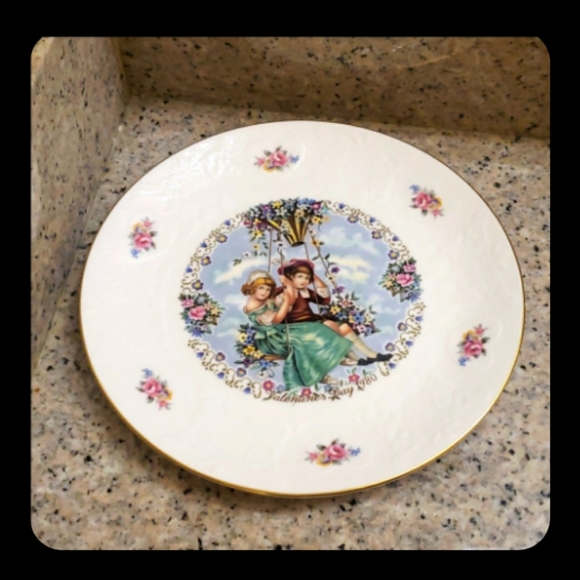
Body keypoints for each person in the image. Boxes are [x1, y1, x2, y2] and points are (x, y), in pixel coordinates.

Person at [241, 270, 355, 389]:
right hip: (272, 338)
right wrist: (286, 301)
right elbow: (276, 320)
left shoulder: (265, 299)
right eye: (261, 288)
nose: (265, 292)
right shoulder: (253, 305)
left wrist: (288, 286)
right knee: (300, 341)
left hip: (280, 330)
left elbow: (292, 300)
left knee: (316, 328)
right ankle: (317, 375)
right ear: (252, 288)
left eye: (268, 289)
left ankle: (336, 356)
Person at [275, 259, 391, 365]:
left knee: (343, 327)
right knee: (330, 326)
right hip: (296, 325)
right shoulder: (281, 293)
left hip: (312, 320)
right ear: (290, 277)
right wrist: (288, 286)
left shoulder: (305, 291)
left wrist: (315, 277)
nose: (304, 281)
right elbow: (283, 308)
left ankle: (371, 354)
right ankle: (354, 357)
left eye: (307, 278)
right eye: (300, 277)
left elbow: (324, 300)